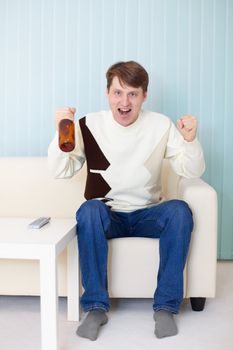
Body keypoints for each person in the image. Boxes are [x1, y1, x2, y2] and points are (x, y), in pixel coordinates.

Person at [48, 61, 205, 341]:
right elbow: (61, 171)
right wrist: (64, 132)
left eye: (133, 94)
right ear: (107, 93)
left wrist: (191, 141)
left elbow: (190, 171)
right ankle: (95, 307)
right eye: (118, 93)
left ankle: (166, 308)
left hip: (149, 213)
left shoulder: (160, 125)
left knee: (180, 210)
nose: (124, 101)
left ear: (144, 96)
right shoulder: (87, 125)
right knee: (88, 210)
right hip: (108, 214)